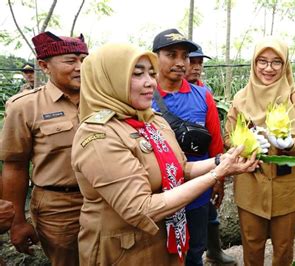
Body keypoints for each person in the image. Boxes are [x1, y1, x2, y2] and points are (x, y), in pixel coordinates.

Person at [72, 43, 258, 265]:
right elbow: (141, 208)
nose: (150, 82)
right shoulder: (98, 135)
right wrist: (215, 174)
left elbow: (181, 169)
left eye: (151, 73)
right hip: (125, 251)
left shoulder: (152, 121)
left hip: (165, 240)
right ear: (109, 80)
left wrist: (220, 160)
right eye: (137, 74)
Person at [224, 37, 295, 265]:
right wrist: (244, 142)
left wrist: (289, 144)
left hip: (287, 186)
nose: (268, 68)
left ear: (285, 65)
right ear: (254, 64)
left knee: (283, 249)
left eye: (276, 62)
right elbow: (228, 138)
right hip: (251, 184)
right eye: (262, 61)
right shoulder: (240, 98)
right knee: (252, 246)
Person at [0, 31, 88, 266]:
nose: (80, 67)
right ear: (44, 66)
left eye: (84, 60)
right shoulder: (25, 107)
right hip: (59, 209)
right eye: (71, 61)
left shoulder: (102, 99)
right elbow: (15, 166)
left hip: (106, 200)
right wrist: (17, 221)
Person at [150, 28, 227, 266]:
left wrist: (218, 180)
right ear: (155, 58)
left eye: (184, 56)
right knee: (159, 252)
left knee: (195, 249)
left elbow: (215, 142)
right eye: (171, 55)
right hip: (155, 194)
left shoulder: (203, 96)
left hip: (196, 190)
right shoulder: (142, 95)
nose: (180, 62)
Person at [184, 43, 237, 264]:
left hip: (204, 166)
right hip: (178, 171)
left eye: (200, 63)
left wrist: (219, 177)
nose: (196, 67)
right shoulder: (156, 94)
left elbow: (215, 137)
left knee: (209, 215)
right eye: (192, 61)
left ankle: (213, 251)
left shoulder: (205, 92)